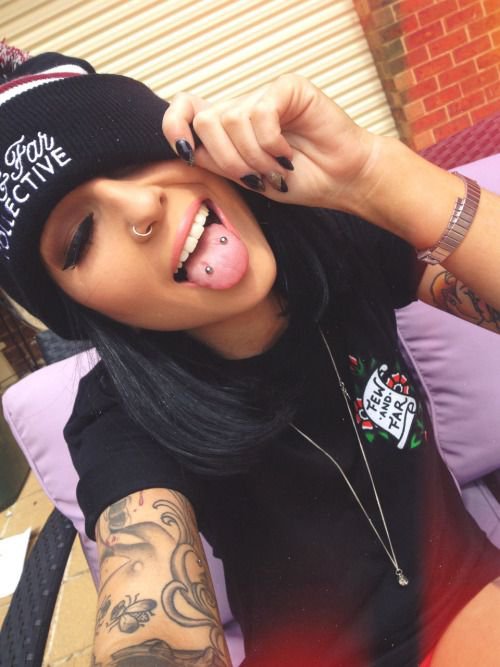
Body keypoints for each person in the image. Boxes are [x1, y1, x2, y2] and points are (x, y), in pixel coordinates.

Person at [1, 42, 500, 667]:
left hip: (475, 602)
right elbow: (149, 618)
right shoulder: (119, 420)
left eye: (132, 154)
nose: (143, 205)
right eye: (80, 236)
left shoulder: (338, 243)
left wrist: (377, 174)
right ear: (82, 310)